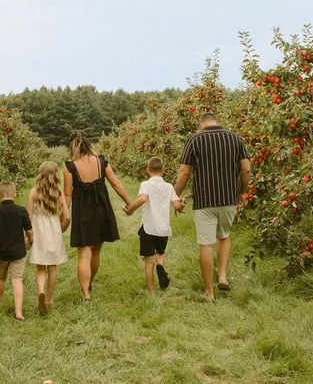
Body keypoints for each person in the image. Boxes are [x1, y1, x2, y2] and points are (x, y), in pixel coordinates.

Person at [174, 112, 250, 301]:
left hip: (205, 200)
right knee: (224, 236)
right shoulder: (236, 138)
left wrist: (174, 194)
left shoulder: (195, 139)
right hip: (228, 198)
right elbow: (246, 168)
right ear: (217, 121)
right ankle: (222, 276)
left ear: (202, 124)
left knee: (206, 244)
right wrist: (242, 191)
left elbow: (184, 172)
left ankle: (209, 292)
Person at [64, 130, 131, 301]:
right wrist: (129, 202)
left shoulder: (70, 167)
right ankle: (90, 283)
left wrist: (63, 216)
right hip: (102, 209)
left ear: (71, 146)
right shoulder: (101, 162)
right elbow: (116, 183)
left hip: (82, 211)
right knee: (95, 253)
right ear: (89, 143)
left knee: (83, 254)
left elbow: (68, 195)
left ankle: (86, 294)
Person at [124, 157, 185, 293]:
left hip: (149, 228)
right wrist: (182, 205)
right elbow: (177, 205)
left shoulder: (146, 184)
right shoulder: (169, 186)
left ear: (147, 170)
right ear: (163, 170)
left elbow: (143, 198)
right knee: (160, 254)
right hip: (163, 229)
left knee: (149, 261)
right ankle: (161, 266)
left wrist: (130, 209)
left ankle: (151, 292)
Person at [27, 161, 70, 316]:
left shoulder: (34, 192)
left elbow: (28, 216)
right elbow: (67, 216)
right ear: (56, 176)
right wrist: (62, 228)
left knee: (40, 266)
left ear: (40, 174)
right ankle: (48, 300)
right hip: (53, 231)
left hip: (38, 231)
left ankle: (40, 291)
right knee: (52, 268)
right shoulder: (58, 193)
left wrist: (28, 236)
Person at [0, 181, 33, 320]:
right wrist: (30, 241)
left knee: (1, 278)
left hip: (2, 253)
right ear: (14, 194)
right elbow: (29, 230)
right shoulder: (21, 210)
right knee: (17, 280)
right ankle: (18, 312)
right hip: (18, 252)